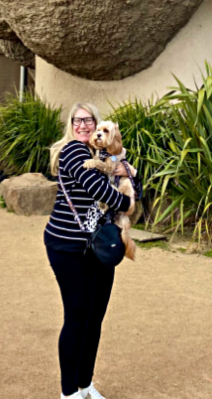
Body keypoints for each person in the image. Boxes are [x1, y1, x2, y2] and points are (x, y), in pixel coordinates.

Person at [44, 102, 141, 399]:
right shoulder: (73, 151)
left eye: (90, 121)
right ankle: (68, 392)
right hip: (69, 247)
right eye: (78, 120)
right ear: (71, 125)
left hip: (97, 245)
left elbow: (131, 181)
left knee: (95, 318)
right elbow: (94, 188)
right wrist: (125, 203)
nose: (84, 126)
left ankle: (85, 384)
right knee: (77, 317)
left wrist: (126, 174)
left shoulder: (101, 155)